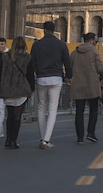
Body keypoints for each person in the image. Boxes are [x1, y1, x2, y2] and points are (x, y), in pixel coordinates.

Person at [31, 21, 72, 149]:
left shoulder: (37, 44)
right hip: (55, 78)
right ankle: (46, 139)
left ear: (44, 30)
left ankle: (43, 137)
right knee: (52, 109)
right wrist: (68, 76)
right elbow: (67, 62)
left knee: (41, 107)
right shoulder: (61, 44)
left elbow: (32, 63)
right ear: (54, 30)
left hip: (41, 77)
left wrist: (33, 76)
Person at [0, 36, 35, 149]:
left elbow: (0, 73)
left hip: (7, 88)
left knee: (10, 115)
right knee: (17, 116)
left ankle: (8, 139)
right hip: (21, 89)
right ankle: (13, 140)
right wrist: (32, 88)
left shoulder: (6, 56)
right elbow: (30, 75)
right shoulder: (27, 57)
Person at [69, 32, 103, 144]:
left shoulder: (74, 53)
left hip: (78, 84)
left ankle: (80, 136)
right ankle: (91, 132)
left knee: (79, 111)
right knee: (93, 110)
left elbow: (70, 67)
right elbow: (100, 68)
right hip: (92, 84)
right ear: (92, 40)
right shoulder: (95, 51)